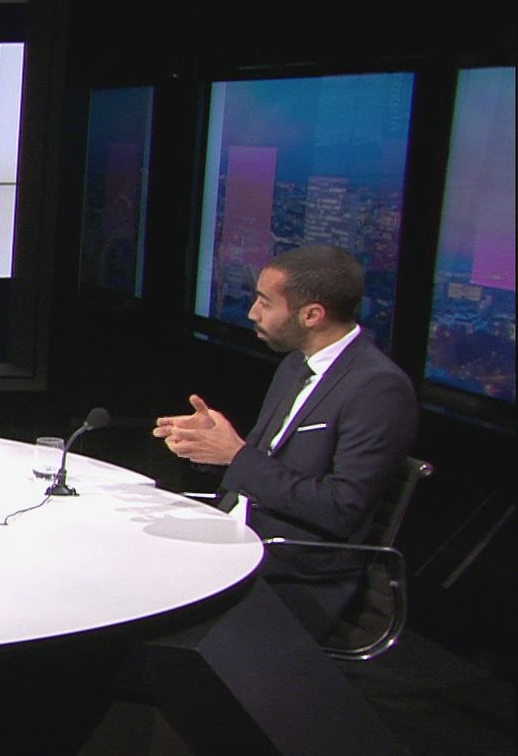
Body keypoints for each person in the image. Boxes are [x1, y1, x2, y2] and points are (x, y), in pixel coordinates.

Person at [154, 244, 417, 640]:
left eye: (265, 303)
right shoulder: (296, 364)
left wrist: (236, 455)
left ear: (312, 315)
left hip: (294, 572)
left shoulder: (378, 388)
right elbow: (262, 463)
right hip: (234, 536)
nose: (252, 313)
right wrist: (207, 446)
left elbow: (340, 508)